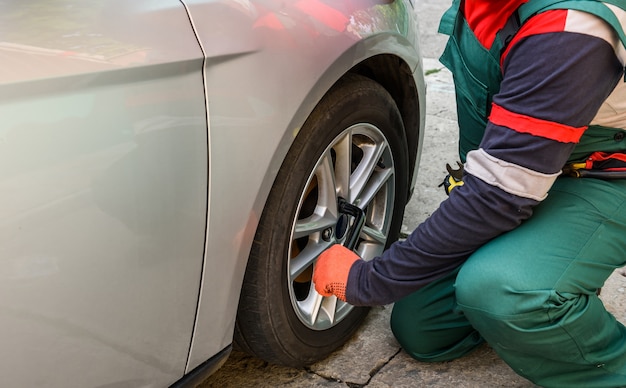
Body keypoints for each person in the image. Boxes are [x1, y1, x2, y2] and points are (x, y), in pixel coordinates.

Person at [312, 0, 626, 386]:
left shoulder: (571, 29)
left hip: (604, 177)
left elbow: (497, 198)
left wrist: (366, 280)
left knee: (502, 292)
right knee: (423, 327)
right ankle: (546, 276)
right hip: (530, 172)